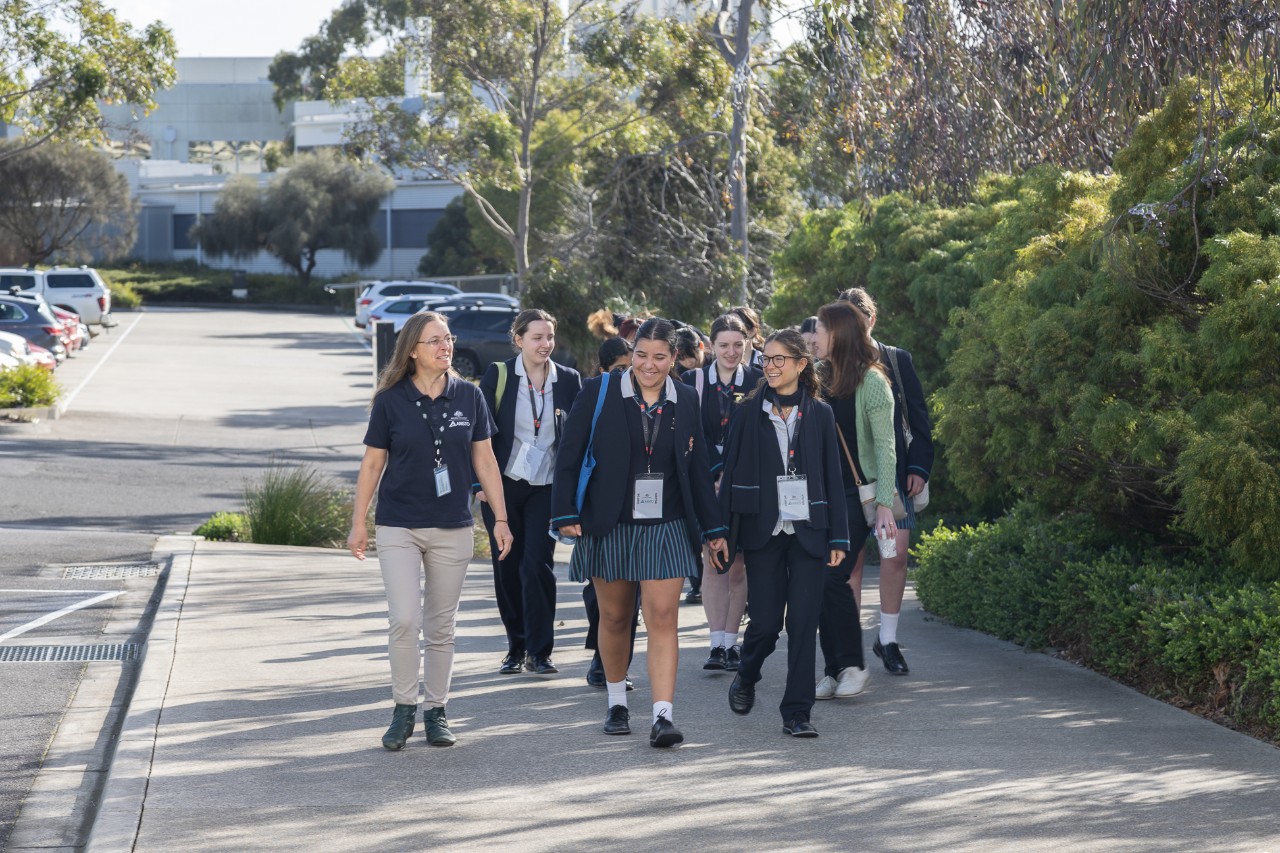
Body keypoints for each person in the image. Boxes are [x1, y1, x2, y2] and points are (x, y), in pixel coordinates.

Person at [552, 318, 729, 748]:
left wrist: (714, 529)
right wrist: (563, 513)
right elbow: (569, 455)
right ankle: (616, 701)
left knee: (663, 617)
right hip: (608, 521)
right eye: (642, 355)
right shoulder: (598, 392)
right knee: (614, 617)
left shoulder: (686, 399)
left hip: (666, 524)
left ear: (674, 358)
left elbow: (699, 470)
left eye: (660, 357)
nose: (649, 365)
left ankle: (663, 716)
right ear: (632, 353)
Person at [349, 311, 513, 751]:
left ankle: (436, 710)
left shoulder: (469, 397)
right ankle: (404, 708)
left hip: (452, 527)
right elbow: (372, 464)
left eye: (449, 339)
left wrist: (500, 517)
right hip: (399, 523)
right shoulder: (390, 401)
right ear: (413, 350)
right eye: (436, 340)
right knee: (405, 619)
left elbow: (485, 462)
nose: (446, 347)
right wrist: (357, 522)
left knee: (441, 626)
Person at [720, 329, 849, 737]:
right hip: (763, 530)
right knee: (765, 623)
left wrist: (839, 538)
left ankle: (797, 712)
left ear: (800, 364)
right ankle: (747, 672)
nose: (770, 367)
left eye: (779, 360)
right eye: (766, 360)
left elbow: (833, 476)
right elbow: (731, 474)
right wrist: (722, 533)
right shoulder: (746, 412)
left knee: (804, 622)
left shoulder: (821, 414)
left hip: (810, 530)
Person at [478, 309, 583, 676]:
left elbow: (578, 441)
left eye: (549, 337)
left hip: (547, 488)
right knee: (507, 566)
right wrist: (479, 486)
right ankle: (515, 646)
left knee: (537, 565)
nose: (545, 344)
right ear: (518, 339)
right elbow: (479, 434)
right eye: (537, 337)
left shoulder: (568, 380)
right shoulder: (499, 375)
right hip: (502, 486)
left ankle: (540, 651)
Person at [837, 287, 934, 675]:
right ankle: (849, 648)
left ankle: (888, 640)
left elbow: (919, 418)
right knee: (851, 564)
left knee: (895, 556)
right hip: (848, 481)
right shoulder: (830, 366)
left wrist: (919, 468)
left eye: (858, 321)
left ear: (871, 320)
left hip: (894, 477)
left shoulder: (896, 359)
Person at [812, 301, 898, 701]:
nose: (813, 337)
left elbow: (886, 446)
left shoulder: (872, 381)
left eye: (820, 330)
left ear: (840, 335)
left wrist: (884, 503)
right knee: (819, 580)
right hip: (819, 497)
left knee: (832, 577)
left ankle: (854, 665)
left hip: (854, 495)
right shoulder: (817, 379)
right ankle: (832, 669)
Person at [681, 313, 762, 670]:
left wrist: (731, 473)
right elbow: (687, 436)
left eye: (737, 345)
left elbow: (762, 437)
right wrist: (711, 475)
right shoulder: (693, 381)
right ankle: (715, 644)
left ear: (747, 344)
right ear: (711, 346)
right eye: (724, 345)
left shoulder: (760, 381)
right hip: (706, 486)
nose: (731, 352)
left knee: (739, 566)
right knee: (713, 561)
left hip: (744, 484)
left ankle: (732, 643)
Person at [583, 334, 639, 688]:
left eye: (628, 366)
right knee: (601, 600)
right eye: (619, 368)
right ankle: (600, 656)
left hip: (644, 510)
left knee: (631, 602)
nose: (627, 373)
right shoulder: (596, 393)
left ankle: (616, 666)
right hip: (602, 511)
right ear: (603, 370)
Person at [730, 305, 766, 370]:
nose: (729, 330)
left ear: (752, 331)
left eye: (736, 326)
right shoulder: (717, 362)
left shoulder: (765, 364)